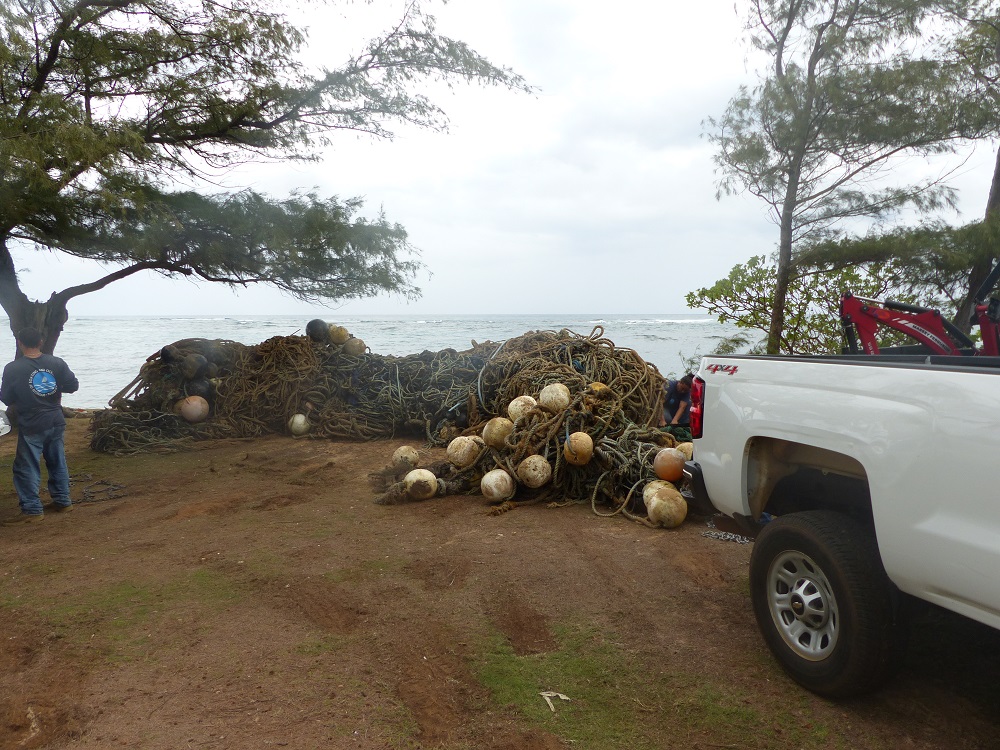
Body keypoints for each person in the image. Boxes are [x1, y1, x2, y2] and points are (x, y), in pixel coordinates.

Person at [0, 327, 79, 524]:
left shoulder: (13, 368)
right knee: (57, 461)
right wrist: (53, 387)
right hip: (55, 419)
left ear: (20, 343)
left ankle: (32, 510)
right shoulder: (57, 363)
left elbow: (6, 398)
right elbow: (73, 386)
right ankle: (63, 501)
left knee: (26, 466)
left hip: (32, 422)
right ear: (41, 342)